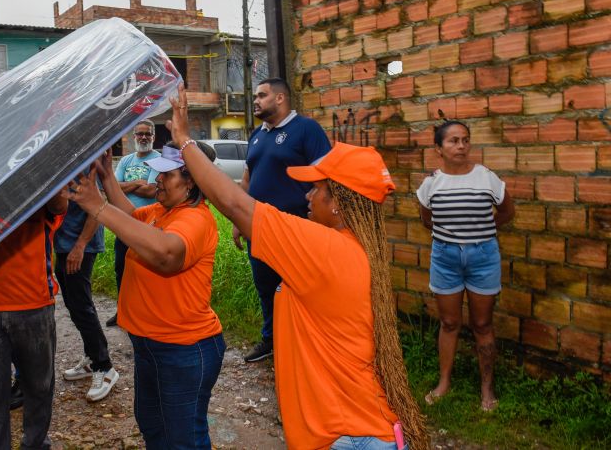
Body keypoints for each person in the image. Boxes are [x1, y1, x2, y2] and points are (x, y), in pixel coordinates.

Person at [166, 86, 428, 450]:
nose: (307, 195)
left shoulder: (323, 248)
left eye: (316, 188)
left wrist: (183, 141)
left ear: (338, 203)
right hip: (364, 429)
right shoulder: (357, 248)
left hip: (346, 437)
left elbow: (235, 204)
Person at [70, 141, 225, 449]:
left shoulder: (195, 219)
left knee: (184, 440)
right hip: (149, 345)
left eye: (167, 175)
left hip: (183, 350)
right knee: (153, 425)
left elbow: (166, 256)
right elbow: (129, 216)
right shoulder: (162, 210)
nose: (158, 180)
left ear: (192, 181)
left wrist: (98, 207)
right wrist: (107, 177)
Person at [416, 120, 514, 412]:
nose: (461, 146)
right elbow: (426, 219)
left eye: (465, 140)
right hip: (445, 258)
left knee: (482, 324)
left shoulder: (486, 178)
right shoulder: (431, 184)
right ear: (439, 148)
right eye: (453, 141)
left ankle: (487, 388)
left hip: (483, 257)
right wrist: (451, 236)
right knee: (449, 323)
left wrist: (482, 230)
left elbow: (507, 212)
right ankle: (444, 382)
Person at [0, 189, 68, 450]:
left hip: (32, 304)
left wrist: (36, 174)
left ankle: (36, 444)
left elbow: (59, 205)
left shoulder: (36, 164)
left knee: (39, 390)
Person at [237, 77, 331, 363]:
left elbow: (325, 176)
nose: (256, 100)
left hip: (296, 227)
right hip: (259, 226)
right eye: (255, 95)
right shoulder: (257, 135)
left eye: (262, 95)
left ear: (280, 98)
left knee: (297, 288)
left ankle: (304, 346)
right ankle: (271, 340)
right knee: (265, 286)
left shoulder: (306, 129)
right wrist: (237, 220)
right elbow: (248, 176)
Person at [54, 180, 118, 401]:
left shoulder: (85, 167)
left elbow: (97, 208)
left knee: (81, 307)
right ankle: (92, 359)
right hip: (64, 245)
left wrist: (80, 245)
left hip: (78, 247)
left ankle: (104, 366)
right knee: (74, 305)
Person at [106, 119, 160, 327]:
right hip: (124, 224)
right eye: (140, 134)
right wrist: (138, 183)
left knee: (145, 271)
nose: (144, 137)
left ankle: (146, 313)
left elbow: (151, 190)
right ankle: (122, 311)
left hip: (148, 225)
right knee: (122, 268)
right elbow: (112, 188)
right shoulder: (126, 161)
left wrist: (125, 186)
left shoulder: (158, 159)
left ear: (153, 136)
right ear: (134, 137)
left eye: (147, 134)